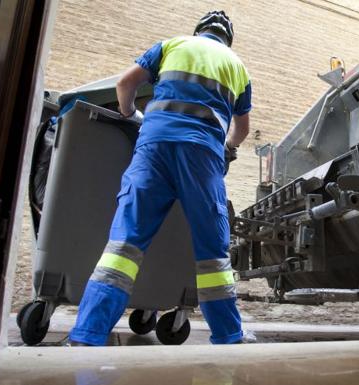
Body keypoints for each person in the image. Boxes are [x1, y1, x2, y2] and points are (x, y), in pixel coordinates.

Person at [69, 10, 252, 345]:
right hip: (202, 156)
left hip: (153, 150)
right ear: (227, 38)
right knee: (212, 252)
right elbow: (243, 129)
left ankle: (88, 332)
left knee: (124, 244)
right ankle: (229, 334)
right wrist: (227, 147)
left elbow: (125, 83)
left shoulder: (171, 45)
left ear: (198, 30)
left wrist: (131, 114)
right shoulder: (237, 66)